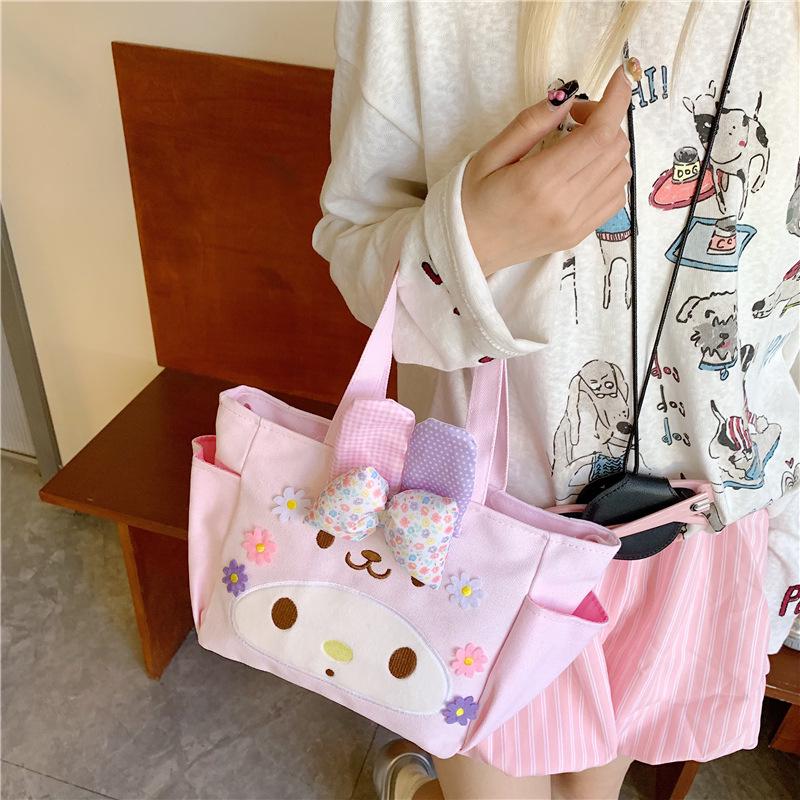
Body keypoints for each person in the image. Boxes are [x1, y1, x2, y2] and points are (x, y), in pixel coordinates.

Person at [311, 1, 800, 798]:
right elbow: (356, 251)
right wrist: (476, 236)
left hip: (690, 531)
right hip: (484, 522)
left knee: (591, 787)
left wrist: (781, 527)